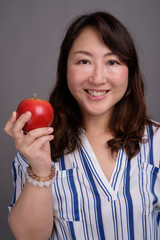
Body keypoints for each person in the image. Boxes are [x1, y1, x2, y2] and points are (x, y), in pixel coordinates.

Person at [4, 11, 160, 240]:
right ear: (65, 68)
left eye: (112, 62)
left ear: (130, 71)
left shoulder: (156, 140)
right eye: (84, 61)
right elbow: (29, 237)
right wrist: (40, 169)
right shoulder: (37, 144)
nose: (98, 78)